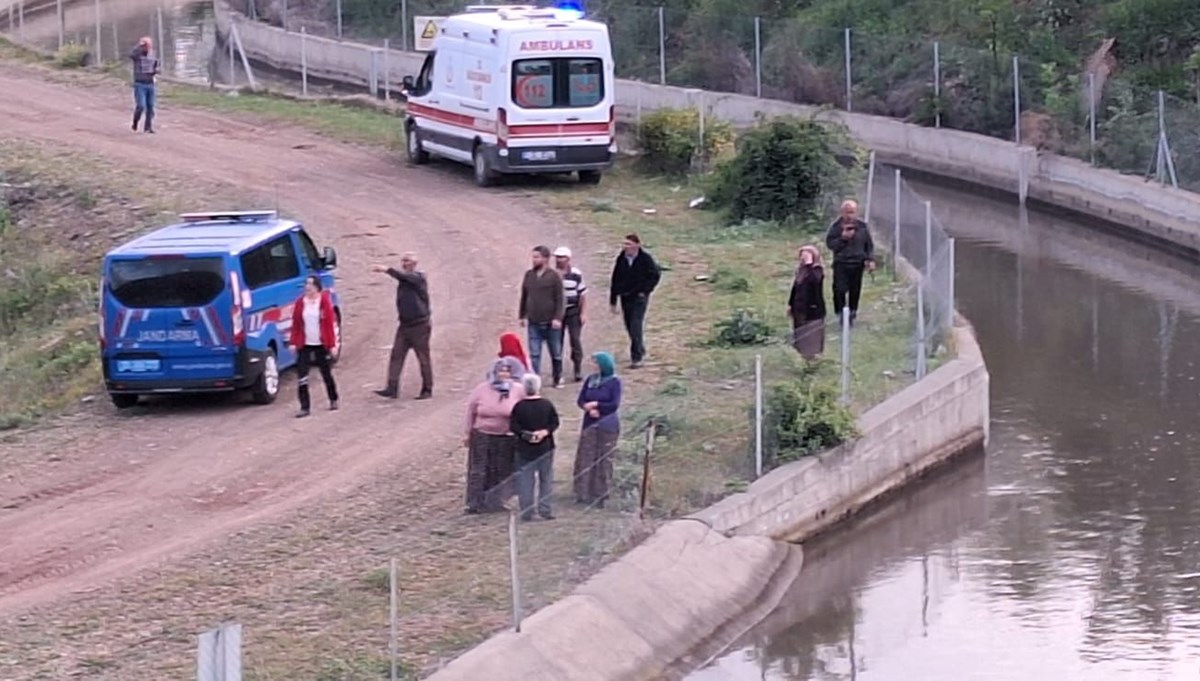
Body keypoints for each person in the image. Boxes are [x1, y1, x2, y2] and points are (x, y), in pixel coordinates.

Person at [464, 357, 526, 514]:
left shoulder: (518, 389)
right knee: (478, 470)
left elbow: (524, 410)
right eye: (500, 370)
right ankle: (475, 503)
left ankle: (495, 502)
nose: (503, 374)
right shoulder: (482, 389)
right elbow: (470, 411)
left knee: (500, 470)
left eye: (507, 371)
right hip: (482, 434)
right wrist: (467, 432)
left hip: (506, 436)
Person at [372, 253, 433, 400]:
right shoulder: (407, 279)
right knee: (396, 356)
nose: (404, 263)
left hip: (419, 325)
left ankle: (427, 389)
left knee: (423, 358)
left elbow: (404, 277)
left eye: (407, 261)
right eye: (403, 261)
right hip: (405, 324)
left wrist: (387, 270)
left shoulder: (417, 278)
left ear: (414, 263)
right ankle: (392, 388)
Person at [573, 351, 622, 508]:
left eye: (595, 363)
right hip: (589, 423)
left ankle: (600, 493)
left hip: (607, 425)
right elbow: (581, 399)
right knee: (586, 457)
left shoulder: (614, 382)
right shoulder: (590, 380)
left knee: (603, 458)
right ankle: (582, 492)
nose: (592, 365)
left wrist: (597, 405)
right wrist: (587, 408)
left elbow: (614, 404)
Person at [509, 373, 560, 521]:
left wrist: (526, 435)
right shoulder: (547, 404)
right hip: (545, 448)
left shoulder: (519, 407)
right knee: (546, 479)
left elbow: (513, 426)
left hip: (524, 449)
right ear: (538, 387)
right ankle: (545, 509)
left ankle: (527, 511)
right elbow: (555, 422)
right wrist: (544, 432)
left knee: (525, 480)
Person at [288, 275, 340, 417]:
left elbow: (329, 325)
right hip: (305, 344)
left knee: (326, 373)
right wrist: (293, 342)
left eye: (311, 284)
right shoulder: (300, 303)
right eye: (306, 284)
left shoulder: (323, 302)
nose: (308, 287)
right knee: (302, 376)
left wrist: (332, 344)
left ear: (317, 286)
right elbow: (296, 325)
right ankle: (305, 407)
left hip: (321, 344)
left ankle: (333, 398)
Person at [608, 233, 661, 369]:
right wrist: (613, 300)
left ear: (637, 245)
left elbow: (655, 275)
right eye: (624, 244)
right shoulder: (621, 259)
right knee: (629, 325)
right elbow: (615, 278)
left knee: (636, 324)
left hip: (639, 297)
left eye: (629, 244)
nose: (626, 247)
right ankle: (640, 347)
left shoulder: (645, 259)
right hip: (625, 296)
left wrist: (645, 291)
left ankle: (636, 357)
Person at [518, 245, 566, 387]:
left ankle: (557, 377)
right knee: (534, 354)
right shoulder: (529, 275)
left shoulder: (554, 276)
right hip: (534, 321)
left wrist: (558, 318)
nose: (534, 260)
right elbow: (524, 296)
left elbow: (560, 299)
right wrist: (522, 315)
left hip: (551, 322)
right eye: (533, 257)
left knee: (556, 352)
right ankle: (535, 382)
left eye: (537, 257)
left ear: (545, 258)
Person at [824, 199, 876, 325]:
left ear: (856, 212)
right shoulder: (836, 227)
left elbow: (868, 245)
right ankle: (841, 313)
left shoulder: (862, 226)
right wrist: (843, 238)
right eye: (847, 212)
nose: (849, 215)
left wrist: (870, 259)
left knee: (855, 290)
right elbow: (830, 244)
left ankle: (852, 313)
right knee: (839, 290)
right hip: (841, 263)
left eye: (852, 212)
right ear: (842, 212)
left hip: (857, 264)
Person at [553, 246, 588, 382]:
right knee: (557, 342)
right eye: (557, 257)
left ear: (568, 259)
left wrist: (583, 313)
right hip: (557, 313)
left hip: (573, 311)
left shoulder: (576, 274)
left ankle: (577, 368)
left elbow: (582, 295)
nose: (559, 260)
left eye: (561, 257)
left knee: (575, 340)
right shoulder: (552, 274)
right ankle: (558, 371)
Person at [788, 245, 828, 361]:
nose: (803, 257)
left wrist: (809, 264)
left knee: (812, 336)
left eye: (806, 254)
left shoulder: (817, 270)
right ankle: (803, 358)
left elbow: (814, 282)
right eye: (802, 255)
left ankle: (812, 359)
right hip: (799, 309)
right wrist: (790, 304)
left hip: (813, 309)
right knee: (800, 335)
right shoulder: (800, 272)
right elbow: (795, 288)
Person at [129, 37, 161, 134]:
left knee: (150, 106)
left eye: (148, 45)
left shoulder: (153, 54)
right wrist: (139, 46)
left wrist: (156, 71)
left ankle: (148, 127)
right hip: (140, 84)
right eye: (145, 45)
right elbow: (131, 55)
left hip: (150, 83)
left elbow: (155, 65)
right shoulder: (137, 55)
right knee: (141, 106)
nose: (147, 47)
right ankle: (135, 121)